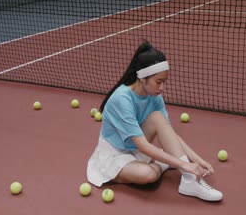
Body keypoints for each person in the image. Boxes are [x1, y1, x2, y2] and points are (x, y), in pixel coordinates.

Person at [86, 40, 223, 201]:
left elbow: (170, 134)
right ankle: (163, 163)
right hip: (114, 155)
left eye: (164, 82)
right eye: (158, 81)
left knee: (158, 117)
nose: (162, 87)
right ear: (143, 78)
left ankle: (189, 181)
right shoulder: (122, 99)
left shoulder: (155, 97)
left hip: (137, 150)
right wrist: (182, 163)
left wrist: (197, 160)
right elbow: (143, 145)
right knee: (149, 174)